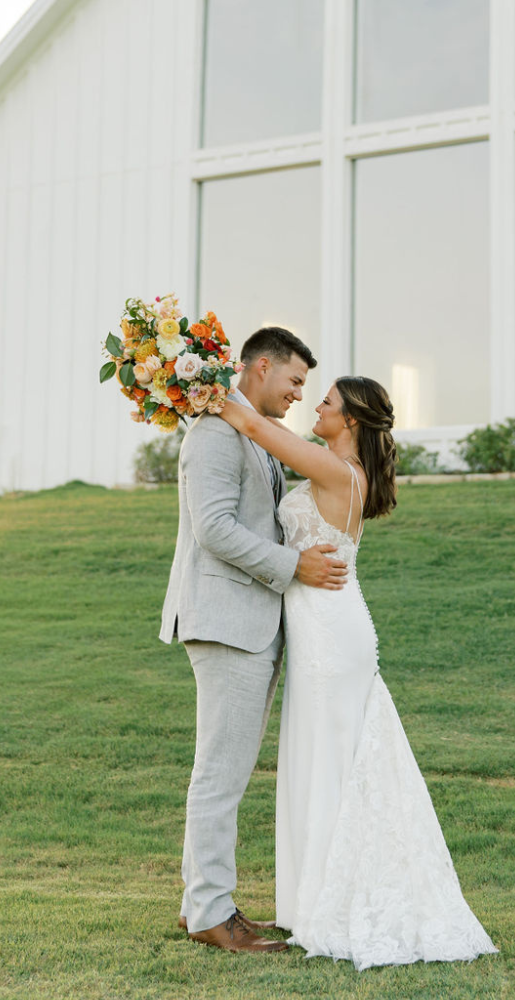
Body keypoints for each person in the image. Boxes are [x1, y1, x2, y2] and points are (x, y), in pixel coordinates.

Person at [217, 375, 498, 970]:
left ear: (349, 421)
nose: (315, 406)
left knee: (330, 762)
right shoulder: (336, 469)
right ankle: (308, 899)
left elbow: (255, 426)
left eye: (327, 402)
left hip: (332, 640)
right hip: (323, 633)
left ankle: (332, 900)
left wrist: (190, 376)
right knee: (317, 760)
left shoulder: (336, 470)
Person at [159, 326, 348, 955]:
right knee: (220, 774)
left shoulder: (250, 434)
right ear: (259, 366)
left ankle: (206, 905)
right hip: (225, 621)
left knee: (227, 773)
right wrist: (294, 567)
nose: (299, 394)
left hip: (252, 625)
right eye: (294, 380)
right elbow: (213, 528)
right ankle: (212, 913)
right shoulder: (214, 432)